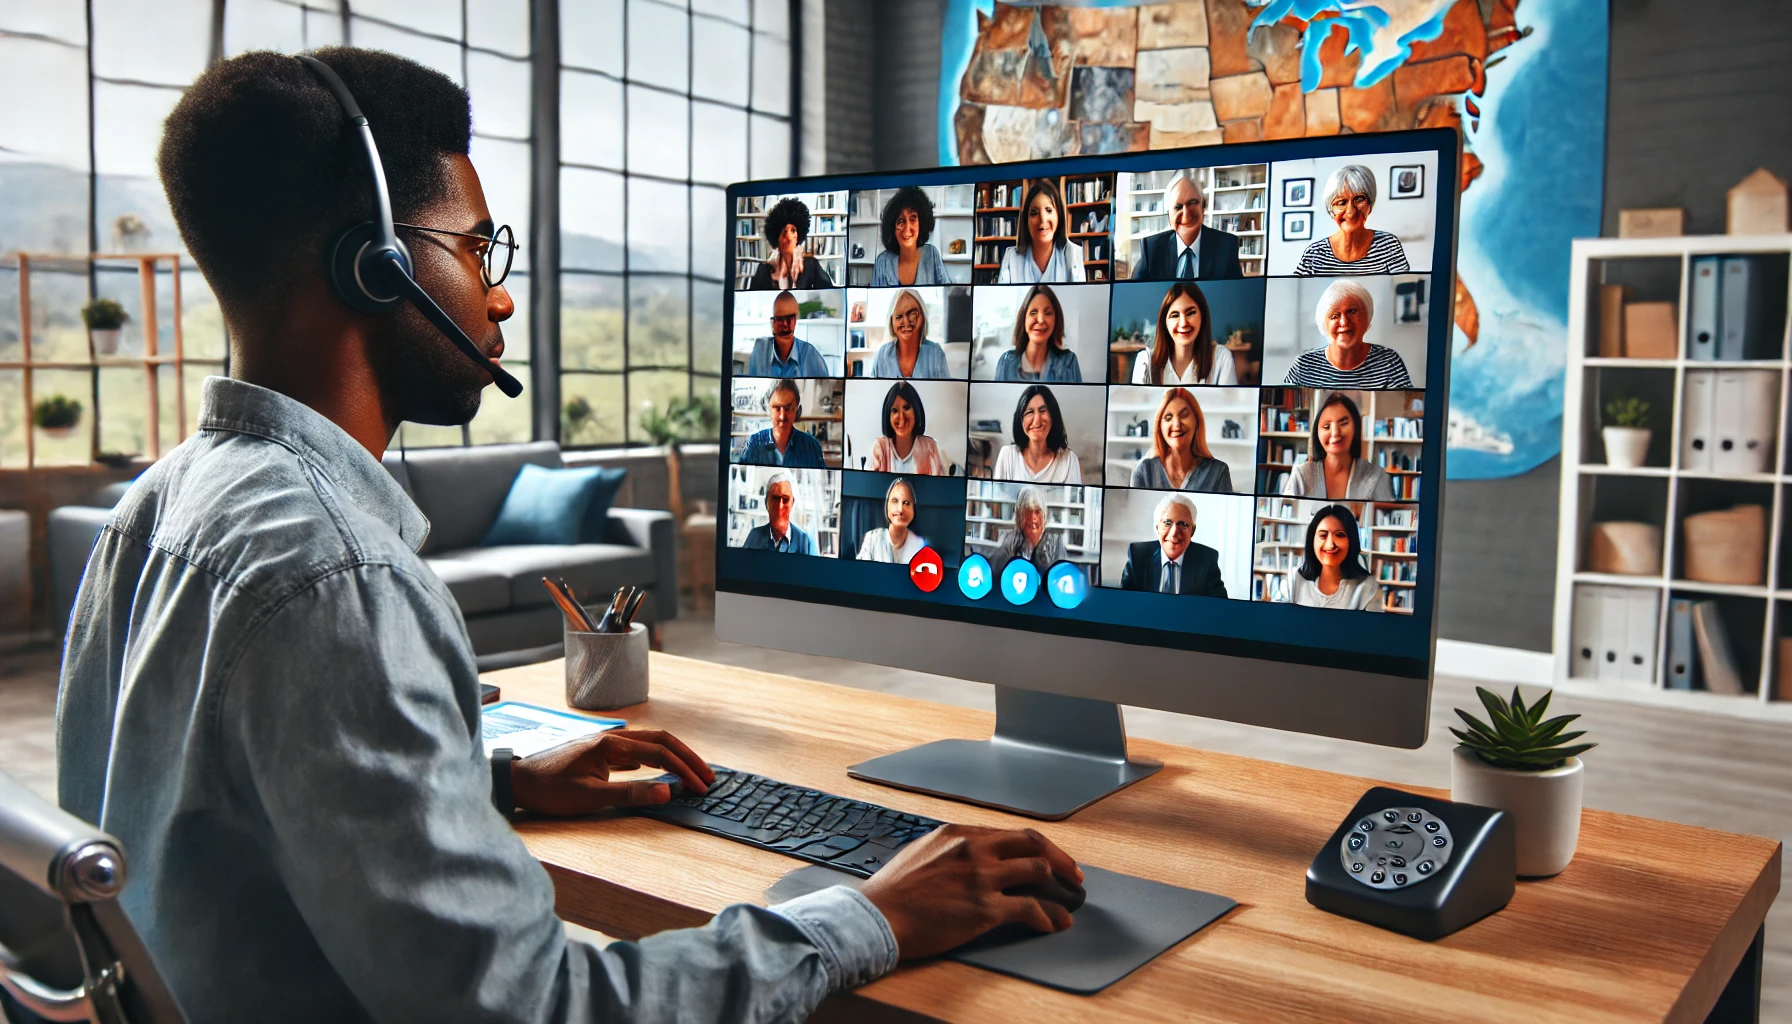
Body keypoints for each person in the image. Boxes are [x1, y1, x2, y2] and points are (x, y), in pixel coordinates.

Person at [57, 49, 1081, 1024]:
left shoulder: (158, 506)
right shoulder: (340, 579)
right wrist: (872, 915)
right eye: (472, 248)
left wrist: (489, 781)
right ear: (376, 265)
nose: (499, 293)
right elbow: (541, 1006)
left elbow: (219, 802)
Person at [1283, 279, 1413, 388]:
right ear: (1324, 323)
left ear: (1367, 317)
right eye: (1335, 315)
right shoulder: (1303, 365)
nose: (1344, 322)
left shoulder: (1389, 362)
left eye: (1352, 311)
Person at [1294, 165, 1411, 275]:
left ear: (1370, 204)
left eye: (1359, 199)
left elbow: (1403, 289)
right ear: (1331, 210)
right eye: (1341, 202)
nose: (1350, 211)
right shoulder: (1314, 254)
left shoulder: (1388, 245)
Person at [1128, 173, 1243, 281]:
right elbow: (1135, 295)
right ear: (1169, 216)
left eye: (1192, 203)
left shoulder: (1227, 246)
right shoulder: (1151, 249)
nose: (1186, 217)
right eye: (1178, 207)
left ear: (1203, 207)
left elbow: (1235, 295)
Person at [1282, 392, 1395, 500]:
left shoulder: (1377, 477)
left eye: (1344, 423)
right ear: (1317, 433)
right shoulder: (1302, 475)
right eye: (1326, 426)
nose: (1335, 433)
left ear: (1356, 427)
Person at [1118, 492, 1226, 597]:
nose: (1174, 533)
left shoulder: (1207, 560)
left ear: (1192, 531)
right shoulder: (1137, 555)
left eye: (1183, 524)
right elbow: (1122, 601)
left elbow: (1220, 607)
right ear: (1157, 528)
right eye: (1167, 523)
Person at [1131, 281, 1237, 386]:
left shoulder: (1222, 358)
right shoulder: (1145, 362)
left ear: (1202, 317)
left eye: (1190, 313)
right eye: (1175, 315)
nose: (1183, 323)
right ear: (1165, 323)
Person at [1131, 387, 1232, 492]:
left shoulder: (1218, 472)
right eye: (1168, 418)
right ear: (1160, 427)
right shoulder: (1143, 471)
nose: (1177, 424)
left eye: (1184, 415)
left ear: (1197, 422)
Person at [1290, 503, 1385, 611]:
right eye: (1323, 535)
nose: (1330, 545)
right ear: (1312, 540)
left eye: (1339, 535)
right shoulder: (1297, 581)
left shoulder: (1367, 588)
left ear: (1351, 541)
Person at [996, 177, 1086, 284]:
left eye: (1048, 210)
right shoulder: (1011, 258)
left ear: (1059, 215)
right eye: (1034, 213)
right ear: (1026, 220)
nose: (1042, 219)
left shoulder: (1073, 255)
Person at [992, 384, 1082, 484]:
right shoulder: (1007, 455)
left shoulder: (1069, 460)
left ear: (1053, 416)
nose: (1037, 421)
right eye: (1029, 412)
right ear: (1020, 419)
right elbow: (998, 499)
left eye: (1042, 411)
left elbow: (1074, 499)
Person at [994, 283, 1082, 382]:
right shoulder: (1006, 362)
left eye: (1048, 313)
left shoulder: (1069, 362)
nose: (1040, 320)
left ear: (1056, 320)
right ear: (1024, 319)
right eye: (1033, 312)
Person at [749, 196, 836, 289]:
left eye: (793, 230)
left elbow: (829, 293)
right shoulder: (763, 272)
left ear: (798, 236)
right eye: (783, 232)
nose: (789, 237)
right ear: (776, 238)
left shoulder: (811, 266)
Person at [872, 186, 951, 287]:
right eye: (900, 221)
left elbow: (947, 290)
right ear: (892, 227)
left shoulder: (931, 255)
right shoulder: (882, 262)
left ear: (921, 222)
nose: (907, 229)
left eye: (913, 219)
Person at [740, 378, 827, 469]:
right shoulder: (754, 443)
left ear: (796, 409)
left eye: (788, 408)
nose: (782, 416)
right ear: (768, 409)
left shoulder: (812, 446)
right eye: (777, 408)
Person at [869, 380, 948, 475]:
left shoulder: (930, 448)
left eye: (906, 408)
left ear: (916, 410)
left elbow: (937, 486)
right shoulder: (880, 448)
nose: (901, 417)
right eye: (894, 410)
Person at [745, 290, 830, 376]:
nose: (785, 326)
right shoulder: (760, 350)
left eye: (789, 319)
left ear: (796, 320)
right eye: (779, 319)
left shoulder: (812, 358)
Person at [869, 288, 951, 378]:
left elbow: (944, 391)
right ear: (891, 321)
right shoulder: (881, 355)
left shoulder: (935, 353)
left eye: (912, 315)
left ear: (923, 317)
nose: (906, 323)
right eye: (899, 317)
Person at [742, 470, 819, 554]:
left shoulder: (806, 542)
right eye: (775, 499)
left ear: (792, 503)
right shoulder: (754, 536)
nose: (780, 506)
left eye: (785, 499)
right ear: (766, 503)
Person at [856, 476, 927, 563]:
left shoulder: (919, 545)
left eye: (906, 503)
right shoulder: (872, 539)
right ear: (887, 506)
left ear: (913, 510)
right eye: (895, 501)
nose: (900, 509)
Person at [993, 486, 1062, 571]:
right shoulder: (1010, 541)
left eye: (1037, 512)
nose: (1033, 518)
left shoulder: (1055, 540)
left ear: (1044, 515)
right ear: (1019, 515)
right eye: (1028, 511)